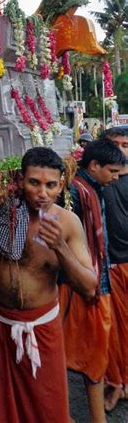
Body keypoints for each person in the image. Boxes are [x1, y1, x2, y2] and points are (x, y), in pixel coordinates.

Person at [0, 147, 97, 423]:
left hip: (41, 328)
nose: (42, 192)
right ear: (21, 180)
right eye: (34, 182)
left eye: (50, 185)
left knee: (49, 408)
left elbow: (90, 287)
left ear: (61, 185)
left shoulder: (67, 223)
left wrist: (60, 247)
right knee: (0, 410)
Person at [59, 138, 125, 423]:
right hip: (83, 284)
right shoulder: (75, 191)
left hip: (99, 278)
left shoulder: (94, 187)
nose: (116, 178)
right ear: (94, 165)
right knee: (87, 351)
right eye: (112, 171)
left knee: (95, 350)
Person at [98, 127, 128, 412]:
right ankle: (115, 383)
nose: (121, 150)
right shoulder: (98, 182)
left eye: (125, 144)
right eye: (115, 145)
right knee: (113, 330)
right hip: (111, 264)